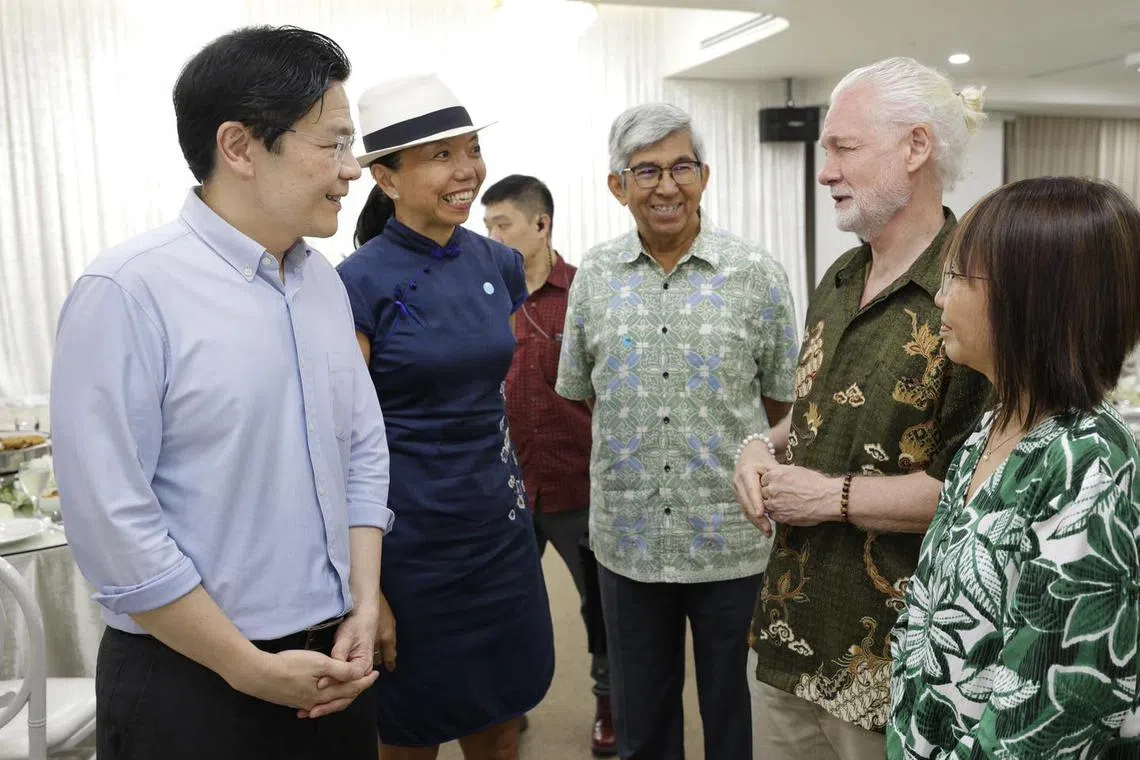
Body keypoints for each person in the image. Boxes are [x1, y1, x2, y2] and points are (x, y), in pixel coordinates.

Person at [49, 26, 389, 760]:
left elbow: (362, 449)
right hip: (192, 681)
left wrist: (364, 602)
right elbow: (114, 525)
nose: (352, 167)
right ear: (239, 147)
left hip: (332, 663)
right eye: (332, 143)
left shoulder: (323, 283)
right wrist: (247, 667)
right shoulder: (129, 291)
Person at [734, 57, 993, 759]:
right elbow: (819, 413)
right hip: (790, 632)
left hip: (889, 663)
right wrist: (760, 447)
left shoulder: (978, 291)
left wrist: (826, 497)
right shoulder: (842, 274)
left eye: (844, 148)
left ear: (916, 148)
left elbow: (977, 489)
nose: (825, 172)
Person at [556, 102, 800, 760]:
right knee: (642, 725)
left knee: (738, 721)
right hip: (629, 542)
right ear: (618, 185)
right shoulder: (595, 279)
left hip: (732, 539)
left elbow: (784, 404)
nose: (667, 186)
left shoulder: (756, 275)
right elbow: (579, 391)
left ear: (705, 175)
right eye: (647, 170)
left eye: (682, 167)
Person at [337, 74, 555, 760]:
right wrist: (367, 591)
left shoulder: (498, 262)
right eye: (439, 156)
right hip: (410, 550)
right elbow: (344, 442)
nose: (466, 171)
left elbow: (490, 393)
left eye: (470, 149)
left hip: (499, 536)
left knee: (500, 718)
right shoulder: (358, 283)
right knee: (409, 729)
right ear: (386, 178)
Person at [888, 177, 1140, 758]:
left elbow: (1047, 719)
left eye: (958, 279)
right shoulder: (993, 426)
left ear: (1031, 297)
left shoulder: (1086, 461)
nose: (939, 298)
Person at [481, 175, 616, 756]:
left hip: (578, 484)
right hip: (507, 488)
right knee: (505, 604)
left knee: (601, 607)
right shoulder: (484, 297)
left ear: (542, 226)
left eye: (501, 224)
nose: (491, 237)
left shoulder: (585, 294)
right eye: (485, 226)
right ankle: (507, 704)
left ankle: (609, 704)